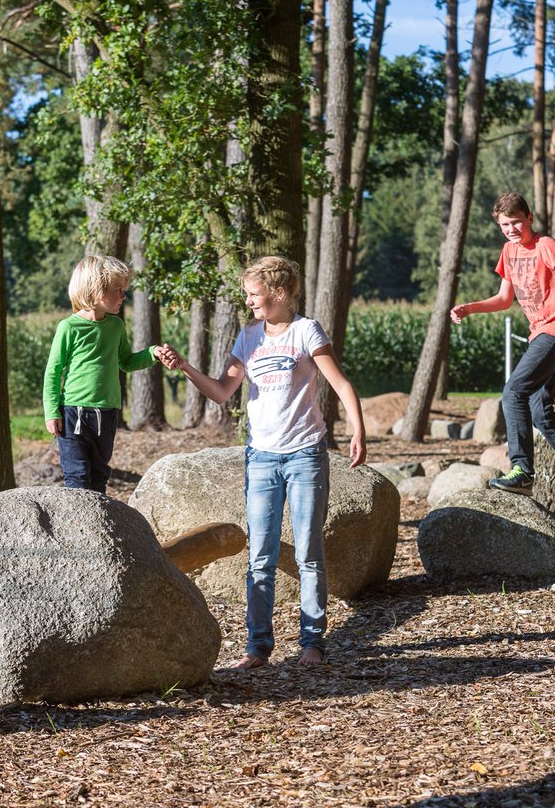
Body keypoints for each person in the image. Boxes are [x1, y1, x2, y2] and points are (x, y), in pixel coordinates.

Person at [161, 256, 367, 670]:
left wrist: (359, 432)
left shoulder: (306, 331)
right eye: (247, 295)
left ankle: (312, 642)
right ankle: (257, 648)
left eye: (254, 294)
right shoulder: (249, 336)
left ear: (280, 293)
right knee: (260, 556)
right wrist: (184, 367)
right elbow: (222, 391)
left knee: (309, 552)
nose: (249, 301)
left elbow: (341, 384)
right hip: (261, 458)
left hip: (305, 454)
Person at [450, 192, 555, 512]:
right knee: (541, 413)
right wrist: (470, 308)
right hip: (540, 335)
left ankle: (522, 470)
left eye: (516, 222)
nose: (511, 229)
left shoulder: (544, 245)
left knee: (513, 392)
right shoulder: (509, 252)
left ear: (529, 219)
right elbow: (503, 299)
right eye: (504, 225)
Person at [43, 254, 167, 493]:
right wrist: (51, 412)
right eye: (117, 290)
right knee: (78, 476)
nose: (123, 296)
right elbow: (53, 372)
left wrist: (153, 353)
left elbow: (126, 362)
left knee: (99, 474)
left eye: (124, 290)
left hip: (107, 413)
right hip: (73, 412)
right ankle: (77, 516)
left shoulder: (116, 327)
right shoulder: (69, 327)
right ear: (95, 290)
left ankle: (99, 516)